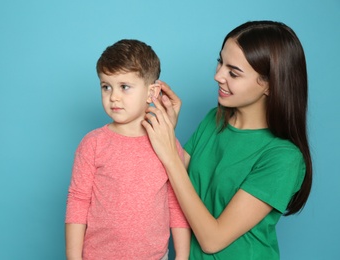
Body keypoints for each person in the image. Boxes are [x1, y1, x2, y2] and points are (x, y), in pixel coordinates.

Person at [142, 21, 313, 259]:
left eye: (233, 72)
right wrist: (167, 130)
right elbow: (171, 186)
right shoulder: (214, 120)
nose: (217, 76)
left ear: (270, 85)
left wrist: (170, 152)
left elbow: (213, 240)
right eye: (220, 62)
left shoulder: (283, 158)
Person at [65, 39, 191, 260]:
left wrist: (182, 256)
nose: (113, 96)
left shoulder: (169, 144)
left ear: (152, 92)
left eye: (124, 87)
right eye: (106, 87)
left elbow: (176, 201)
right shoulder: (93, 143)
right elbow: (78, 200)